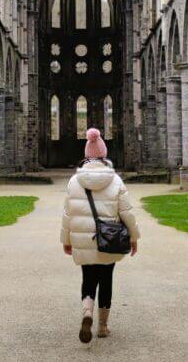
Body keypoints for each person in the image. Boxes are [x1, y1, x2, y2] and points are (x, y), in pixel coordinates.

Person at [60, 127, 140, 343]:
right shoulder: (115, 180)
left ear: (86, 154)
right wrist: (134, 237)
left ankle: (87, 312)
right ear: (104, 154)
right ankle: (103, 327)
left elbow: (68, 214)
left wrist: (66, 240)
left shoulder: (74, 181)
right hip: (108, 238)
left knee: (88, 278)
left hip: (83, 240)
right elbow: (127, 213)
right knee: (106, 280)